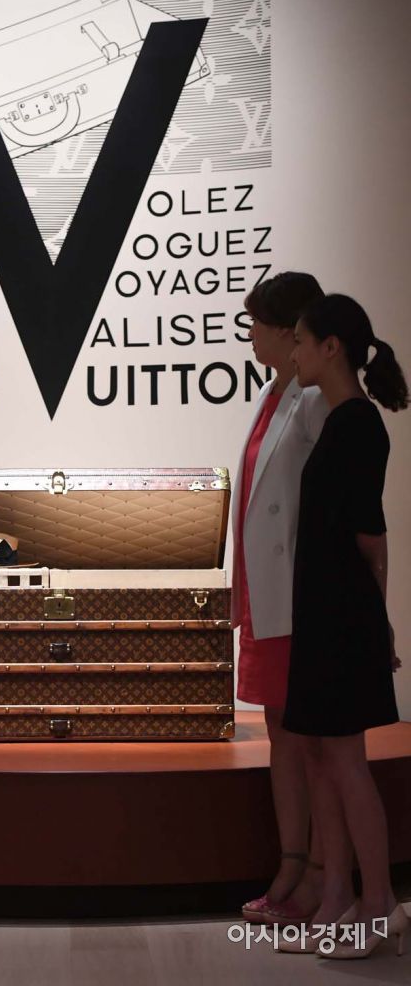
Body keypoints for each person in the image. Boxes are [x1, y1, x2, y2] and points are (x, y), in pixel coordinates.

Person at [278, 293, 408, 958]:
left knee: (346, 761)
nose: (293, 353)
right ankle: (337, 898)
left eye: (300, 341)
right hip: (323, 611)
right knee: (322, 756)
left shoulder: (358, 425)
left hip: (342, 614)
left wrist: (378, 624)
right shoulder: (339, 422)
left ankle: (380, 904)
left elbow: (370, 538)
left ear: (331, 348)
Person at [232, 272, 330, 926]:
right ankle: (293, 865)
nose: (249, 334)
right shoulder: (273, 395)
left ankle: (318, 876)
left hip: (301, 601)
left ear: (288, 330)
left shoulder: (315, 401)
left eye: (256, 323)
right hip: (267, 600)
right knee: (281, 736)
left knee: (308, 741)